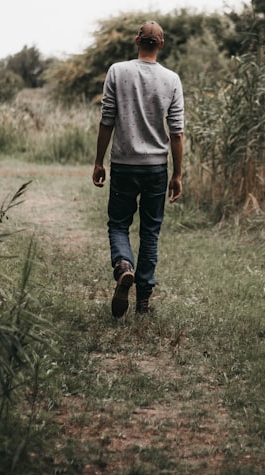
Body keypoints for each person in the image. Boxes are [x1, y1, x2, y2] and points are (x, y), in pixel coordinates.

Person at [92, 20, 184, 317]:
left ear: (136, 41)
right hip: (156, 168)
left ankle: (123, 266)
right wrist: (177, 174)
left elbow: (107, 119)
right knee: (150, 232)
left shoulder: (118, 71)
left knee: (119, 224)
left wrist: (98, 161)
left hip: (123, 164)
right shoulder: (172, 79)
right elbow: (177, 132)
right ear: (161, 44)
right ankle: (143, 301)